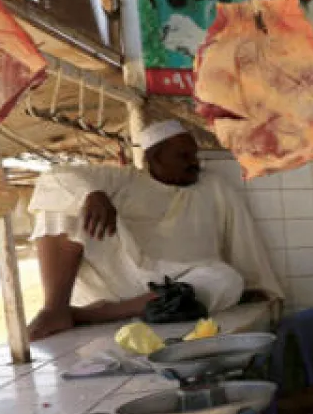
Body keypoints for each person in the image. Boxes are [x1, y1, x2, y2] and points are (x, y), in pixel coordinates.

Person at [25, 120, 282, 339]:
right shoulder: (123, 180)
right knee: (58, 204)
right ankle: (55, 309)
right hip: (124, 274)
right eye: (183, 156)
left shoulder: (213, 186)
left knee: (228, 280)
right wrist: (91, 193)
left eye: (194, 155)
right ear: (153, 158)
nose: (194, 163)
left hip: (183, 281)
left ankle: (90, 315)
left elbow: (241, 237)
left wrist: (253, 283)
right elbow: (54, 177)